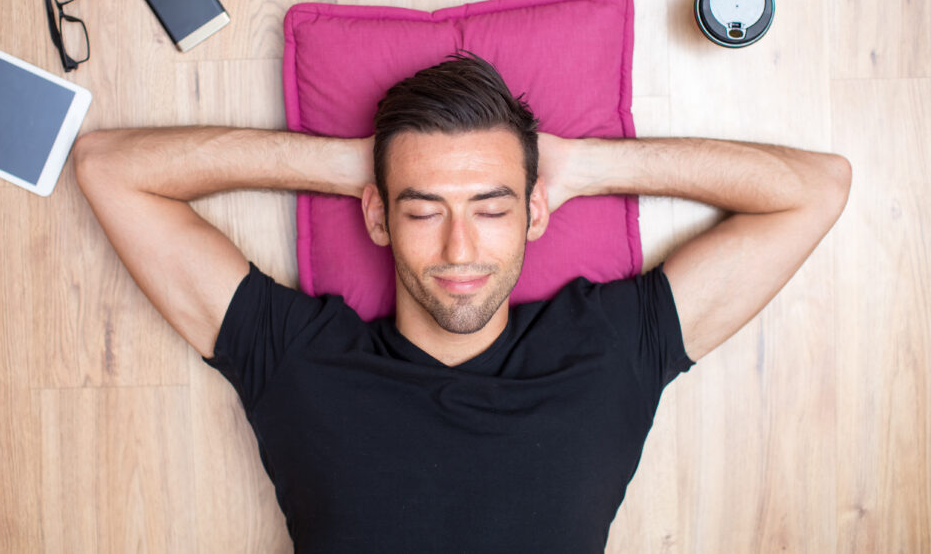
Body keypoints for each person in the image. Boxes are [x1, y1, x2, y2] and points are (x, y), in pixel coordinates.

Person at [73, 52, 851, 553]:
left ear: (535, 213)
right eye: (420, 209)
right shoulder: (300, 361)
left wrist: (583, 166)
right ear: (377, 216)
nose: (459, 251)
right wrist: (346, 165)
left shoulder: (609, 349)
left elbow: (816, 191)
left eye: (491, 206)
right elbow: (108, 168)